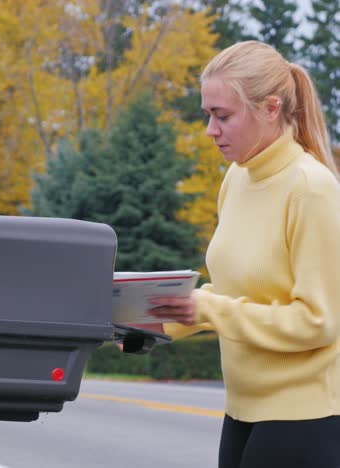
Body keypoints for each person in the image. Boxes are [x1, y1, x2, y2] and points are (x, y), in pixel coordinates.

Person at [140, 40, 340, 468]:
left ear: (271, 108)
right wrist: (148, 323)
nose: (210, 130)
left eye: (222, 116)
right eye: (207, 114)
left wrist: (208, 310)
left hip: (304, 415)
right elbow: (229, 292)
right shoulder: (237, 177)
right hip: (242, 408)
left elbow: (318, 322)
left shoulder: (311, 189)